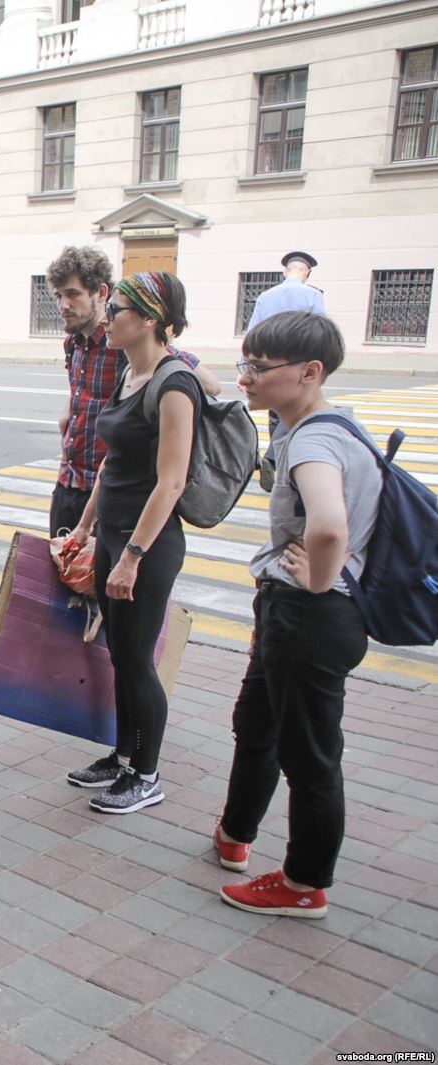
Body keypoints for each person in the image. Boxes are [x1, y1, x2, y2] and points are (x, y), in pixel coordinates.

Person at [215, 311, 377, 919]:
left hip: (312, 614)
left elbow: (330, 524)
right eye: (244, 364)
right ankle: (235, 834)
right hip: (297, 611)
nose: (246, 379)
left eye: (259, 368)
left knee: (308, 754)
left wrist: (316, 578)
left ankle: (305, 882)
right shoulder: (321, 425)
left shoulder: (313, 439)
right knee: (256, 723)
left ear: (310, 373)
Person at [62, 272, 199, 813]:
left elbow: (172, 481)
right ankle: (121, 757)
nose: (107, 315)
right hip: (115, 535)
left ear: (147, 319)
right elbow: (110, 465)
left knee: (138, 661)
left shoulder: (173, 384)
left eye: (115, 308)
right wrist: (85, 527)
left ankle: (147, 774)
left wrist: (134, 558)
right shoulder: (131, 374)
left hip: (150, 545)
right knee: (119, 654)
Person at [47, 246, 221, 538]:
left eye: (73, 294)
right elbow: (83, 392)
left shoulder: (126, 342)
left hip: (107, 490)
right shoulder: (73, 342)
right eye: (58, 295)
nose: (64, 304)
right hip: (69, 483)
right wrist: (69, 410)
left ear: (101, 293)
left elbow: (209, 384)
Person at [248, 252, 326, 490]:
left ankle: (276, 460)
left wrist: (250, 366)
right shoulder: (313, 295)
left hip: (269, 361)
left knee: (276, 413)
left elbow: (253, 332)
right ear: (307, 272)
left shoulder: (266, 296)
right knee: (298, 409)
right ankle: (275, 458)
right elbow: (320, 331)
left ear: (285, 271)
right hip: (299, 363)